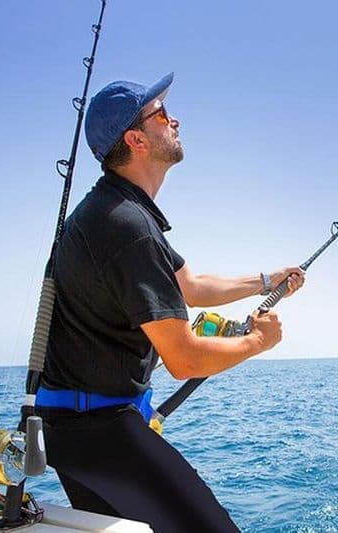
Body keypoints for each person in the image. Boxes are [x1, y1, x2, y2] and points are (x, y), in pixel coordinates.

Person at [33, 73, 305, 531]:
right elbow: (183, 358)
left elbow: (191, 287)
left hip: (74, 425)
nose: (174, 118)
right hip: (99, 430)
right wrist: (260, 341)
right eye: (160, 113)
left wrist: (266, 280)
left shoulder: (119, 212)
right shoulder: (127, 227)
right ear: (136, 140)